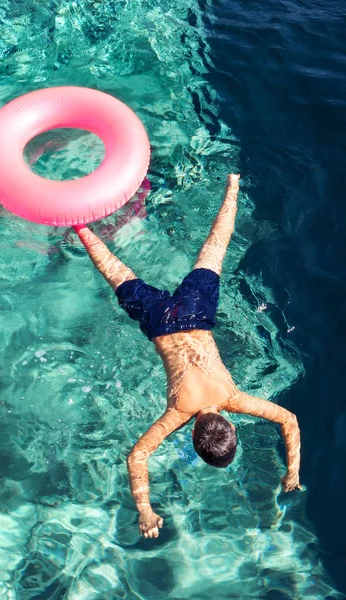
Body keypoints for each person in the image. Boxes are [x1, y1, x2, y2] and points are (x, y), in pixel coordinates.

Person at [74, 174, 301, 539]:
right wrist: (145, 513)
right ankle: (78, 224)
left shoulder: (233, 399)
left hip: (196, 314)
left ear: (230, 427)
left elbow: (288, 420)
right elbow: (137, 458)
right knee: (115, 271)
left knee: (216, 246)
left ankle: (232, 185)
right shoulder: (177, 414)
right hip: (159, 322)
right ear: (194, 439)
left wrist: (293, 470)